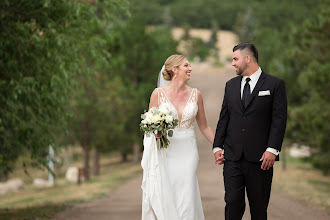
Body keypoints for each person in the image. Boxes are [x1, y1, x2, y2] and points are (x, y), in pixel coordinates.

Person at [213, 42, 287, 220]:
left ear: (247, 59)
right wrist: (217, 147)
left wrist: (272, 149)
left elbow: (279, 119)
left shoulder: (275, 84)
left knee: (259, 208)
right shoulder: (230, 85)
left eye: (235, 59)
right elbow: (224, 118)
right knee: (232, 203)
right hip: (233, 157)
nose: (233, 63)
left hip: (261, 159)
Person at [141, 54, 214, 220]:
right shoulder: (157, 94)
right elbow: (149, 125)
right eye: (186, 66)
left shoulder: (197, 94)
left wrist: (219, 147)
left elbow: (204, 126)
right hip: (166, 150)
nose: (190, 68)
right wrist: (156, 132)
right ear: (175, 70)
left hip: (188, 151)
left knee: (187, 192)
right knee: (167, 192)